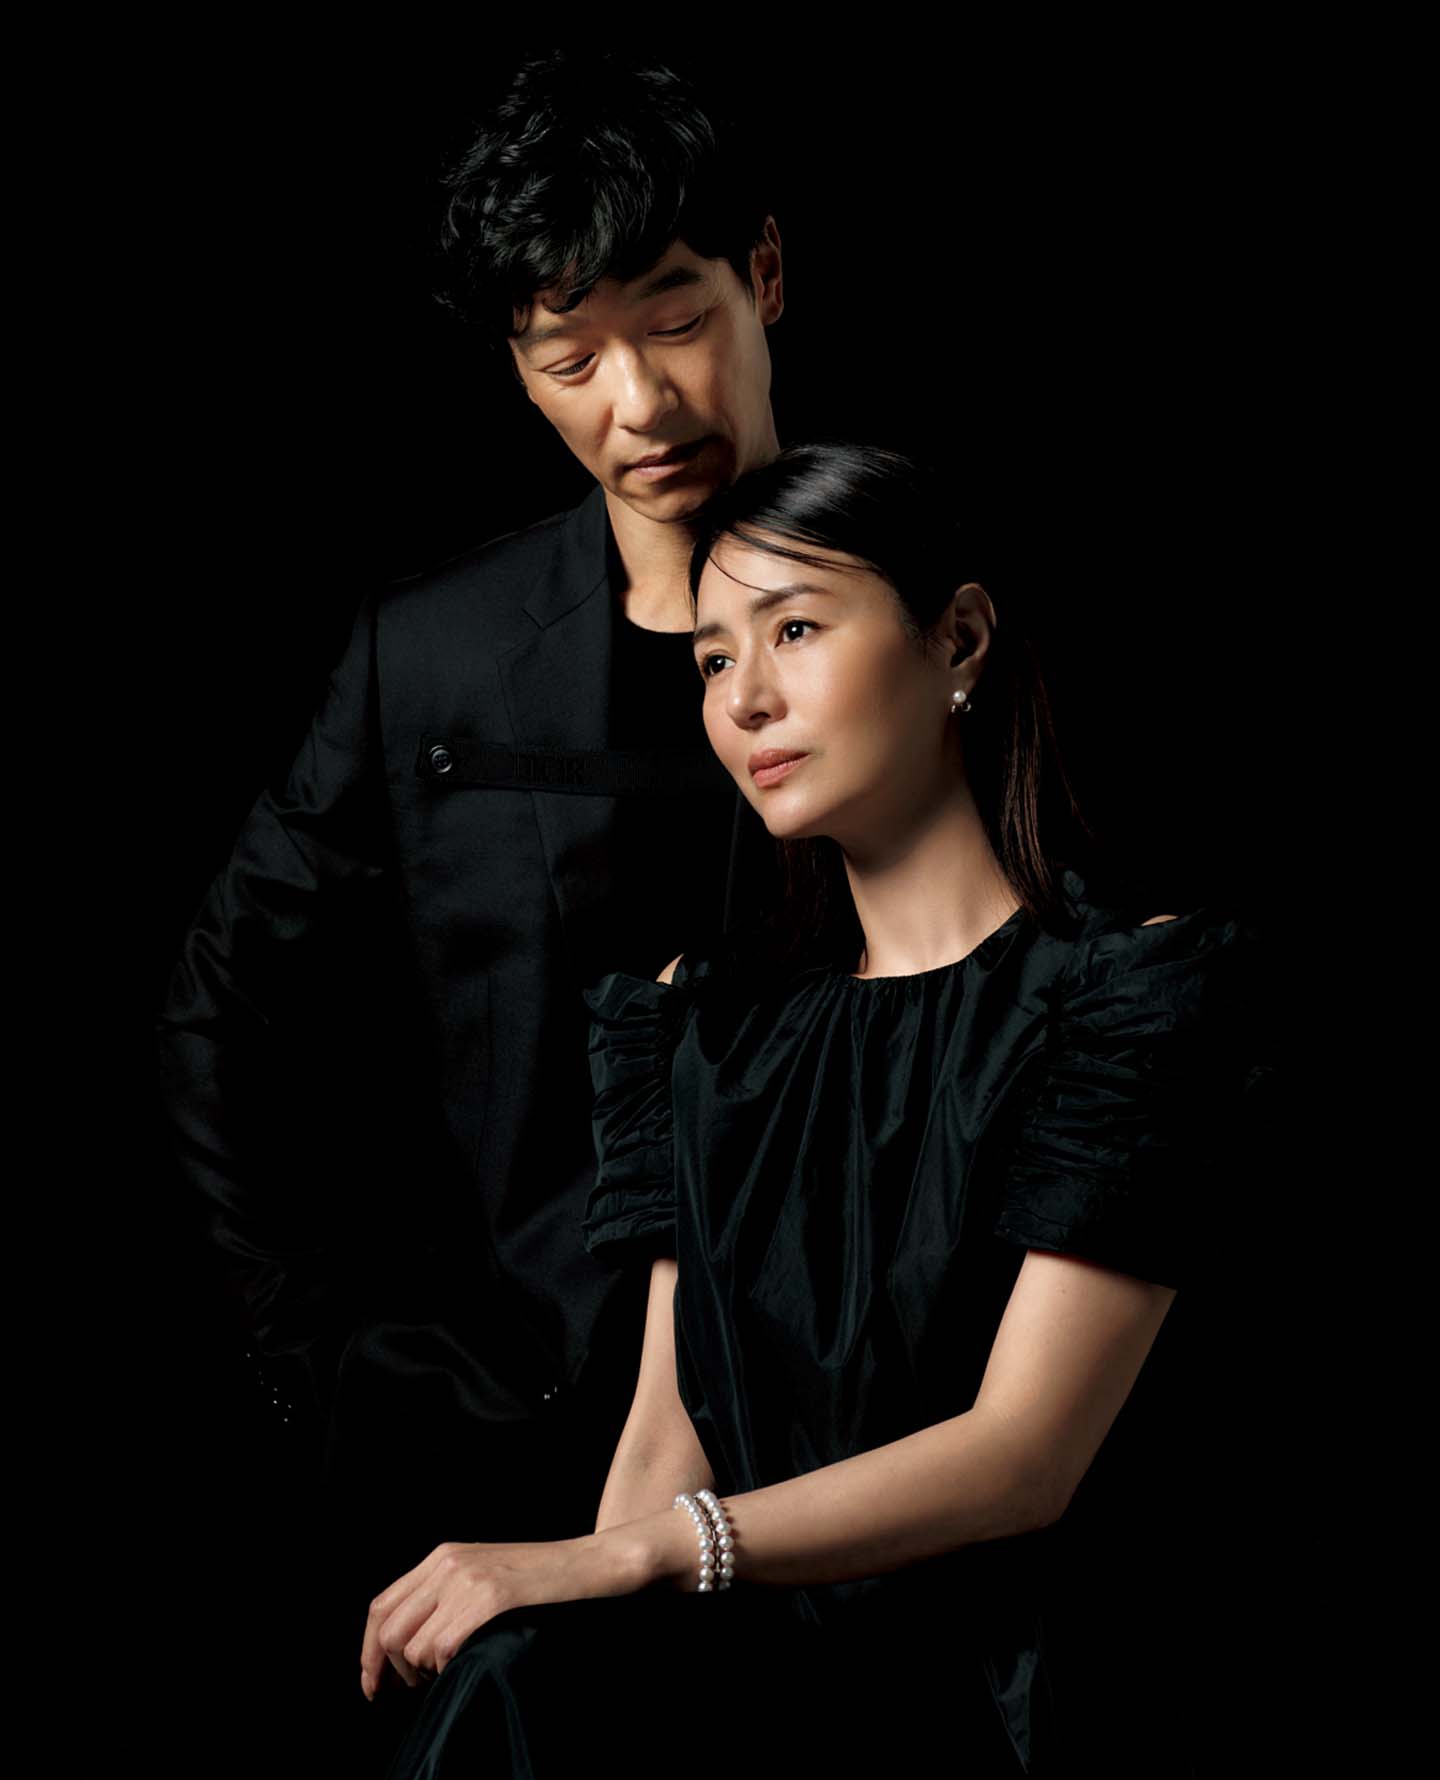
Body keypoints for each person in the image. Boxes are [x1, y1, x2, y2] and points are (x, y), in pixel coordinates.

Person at [361, 442, 1275, 1777]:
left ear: (959, 639)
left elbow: (1024, 1457)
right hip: (745, 1673)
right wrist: (580, 1603)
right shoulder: (700, 1024)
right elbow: (665, 1435)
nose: (746, 699)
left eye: (794, 630)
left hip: (992, 1697)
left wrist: (641, 1556)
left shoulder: (1128, 997)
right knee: (523, 1681)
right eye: (712, 659)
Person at [154, 50, 786, 1769]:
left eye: (678, 320)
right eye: (568, 358)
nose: (640, 405)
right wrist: (319, 1364)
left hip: (858, 1433)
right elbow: (222, 1004)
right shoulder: (430, 652)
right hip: (507, 1443)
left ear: (765, 275)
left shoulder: (940, 606)